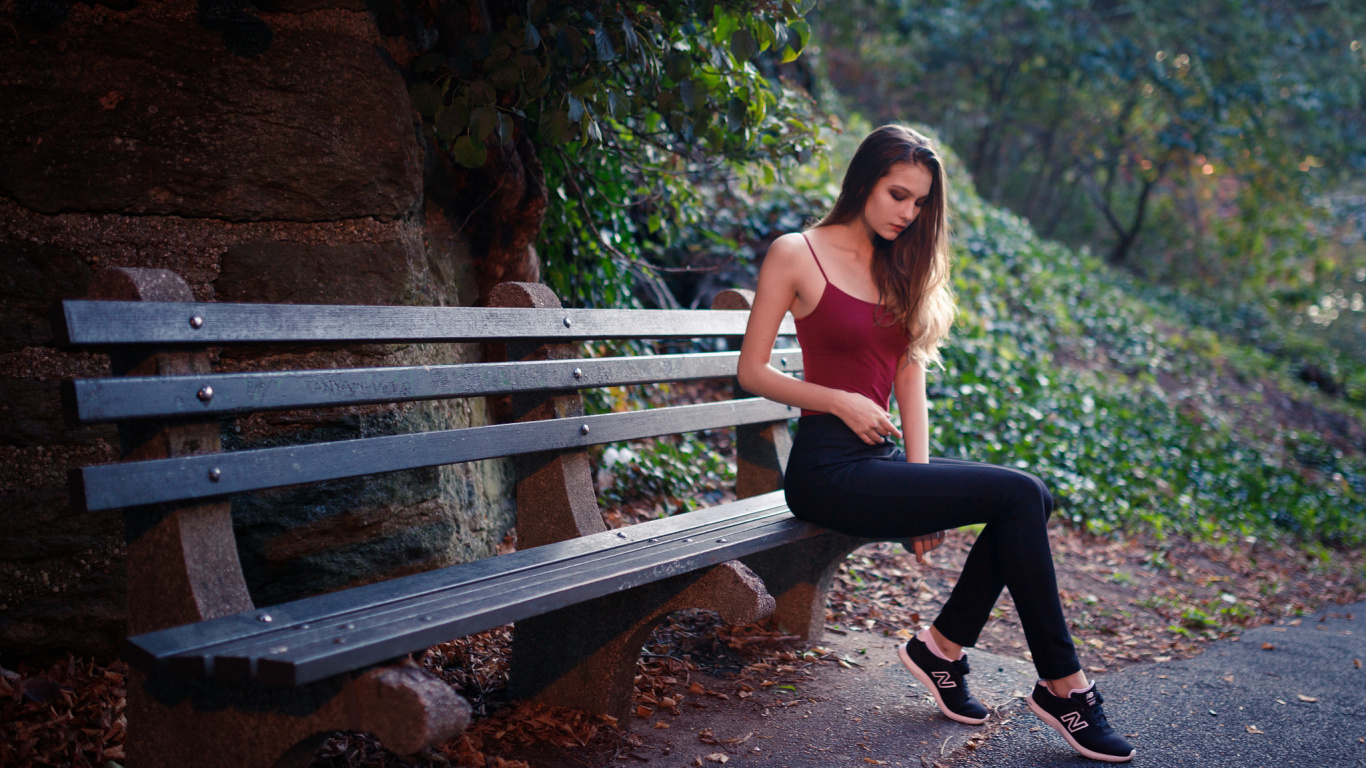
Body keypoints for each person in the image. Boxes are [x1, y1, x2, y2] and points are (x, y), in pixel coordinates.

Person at [735, 125, 1135, 763]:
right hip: (823, 471)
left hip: (879, 464)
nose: (908, 213)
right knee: (1019, 494)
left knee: (1033, 496)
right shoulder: (795, 253)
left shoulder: (898, 264)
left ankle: (942, 648)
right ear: (863, 181)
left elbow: (907, 374)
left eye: (920, 203)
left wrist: (920, 484)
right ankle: (1065, 686)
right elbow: (752, 371)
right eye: (898, 195)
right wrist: (837, 398)